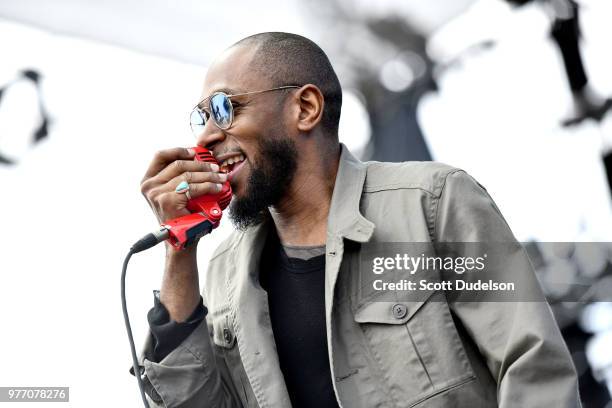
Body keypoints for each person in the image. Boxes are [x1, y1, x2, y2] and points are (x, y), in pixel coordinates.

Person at [134, 32, 581, 407]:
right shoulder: (225, 271)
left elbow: (534, 369)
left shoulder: (434, 203)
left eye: (226, 108)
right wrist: (180, 247)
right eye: (203, 118)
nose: (209, 136)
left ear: (305, 108)